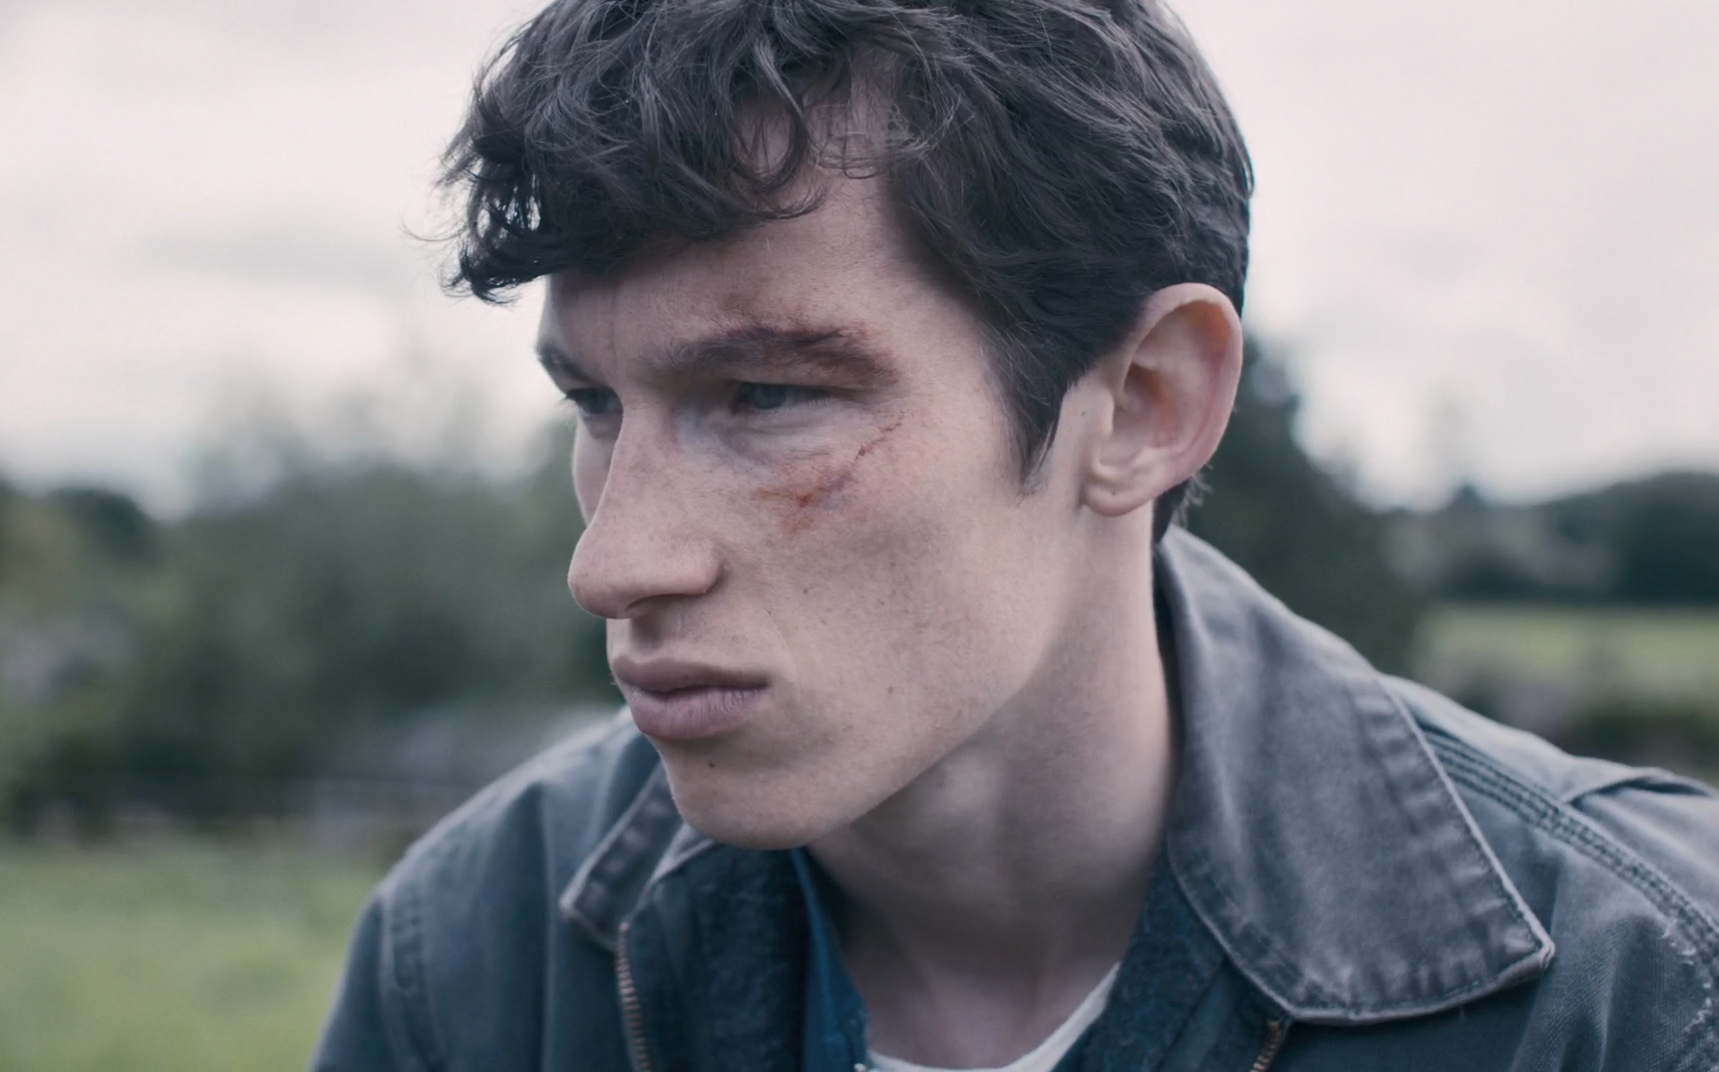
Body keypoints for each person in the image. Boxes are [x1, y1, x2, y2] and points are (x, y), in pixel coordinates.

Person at [313, 1, 1719, 1068]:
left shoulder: (1637, 995)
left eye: (768, 397)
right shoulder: (471, 960)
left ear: (1146, 405)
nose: (613, 565)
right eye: (597, 405)